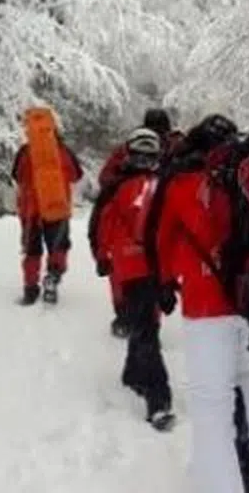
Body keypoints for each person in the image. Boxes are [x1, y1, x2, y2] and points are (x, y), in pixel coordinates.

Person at [143, 113, 249, 493]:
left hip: (207, 306)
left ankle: (220, 483)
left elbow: (160, 239)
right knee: (248, 374)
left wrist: (165, 284)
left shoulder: (182, 183)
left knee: (211, 406)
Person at [89, 127, 175, 429]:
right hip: (152, 267)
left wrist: (102, 256)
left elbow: (100, 224)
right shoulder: (164, 186)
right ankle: (154, 396)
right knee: (147, 328)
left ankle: (137, 379)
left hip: (130, 267)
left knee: (143, 325)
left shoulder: (117, 186)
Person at [95, 108, 183, 333]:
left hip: (127, 217)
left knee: (121, 266)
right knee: (156, 269)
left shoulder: (128, 148)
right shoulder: (176, 147)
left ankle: (125, 316)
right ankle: (151, 320)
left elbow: (105, 179)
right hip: (161, 217)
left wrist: (122, 181)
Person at [12, 120, 83, 305]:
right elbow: (76, 175)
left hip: (31, 210)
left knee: (32, 249)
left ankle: (30, 288)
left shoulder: (25, 151)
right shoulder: (64, 151)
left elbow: (17, 176)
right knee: (58, 246)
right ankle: (53, 276)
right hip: (57, 207)